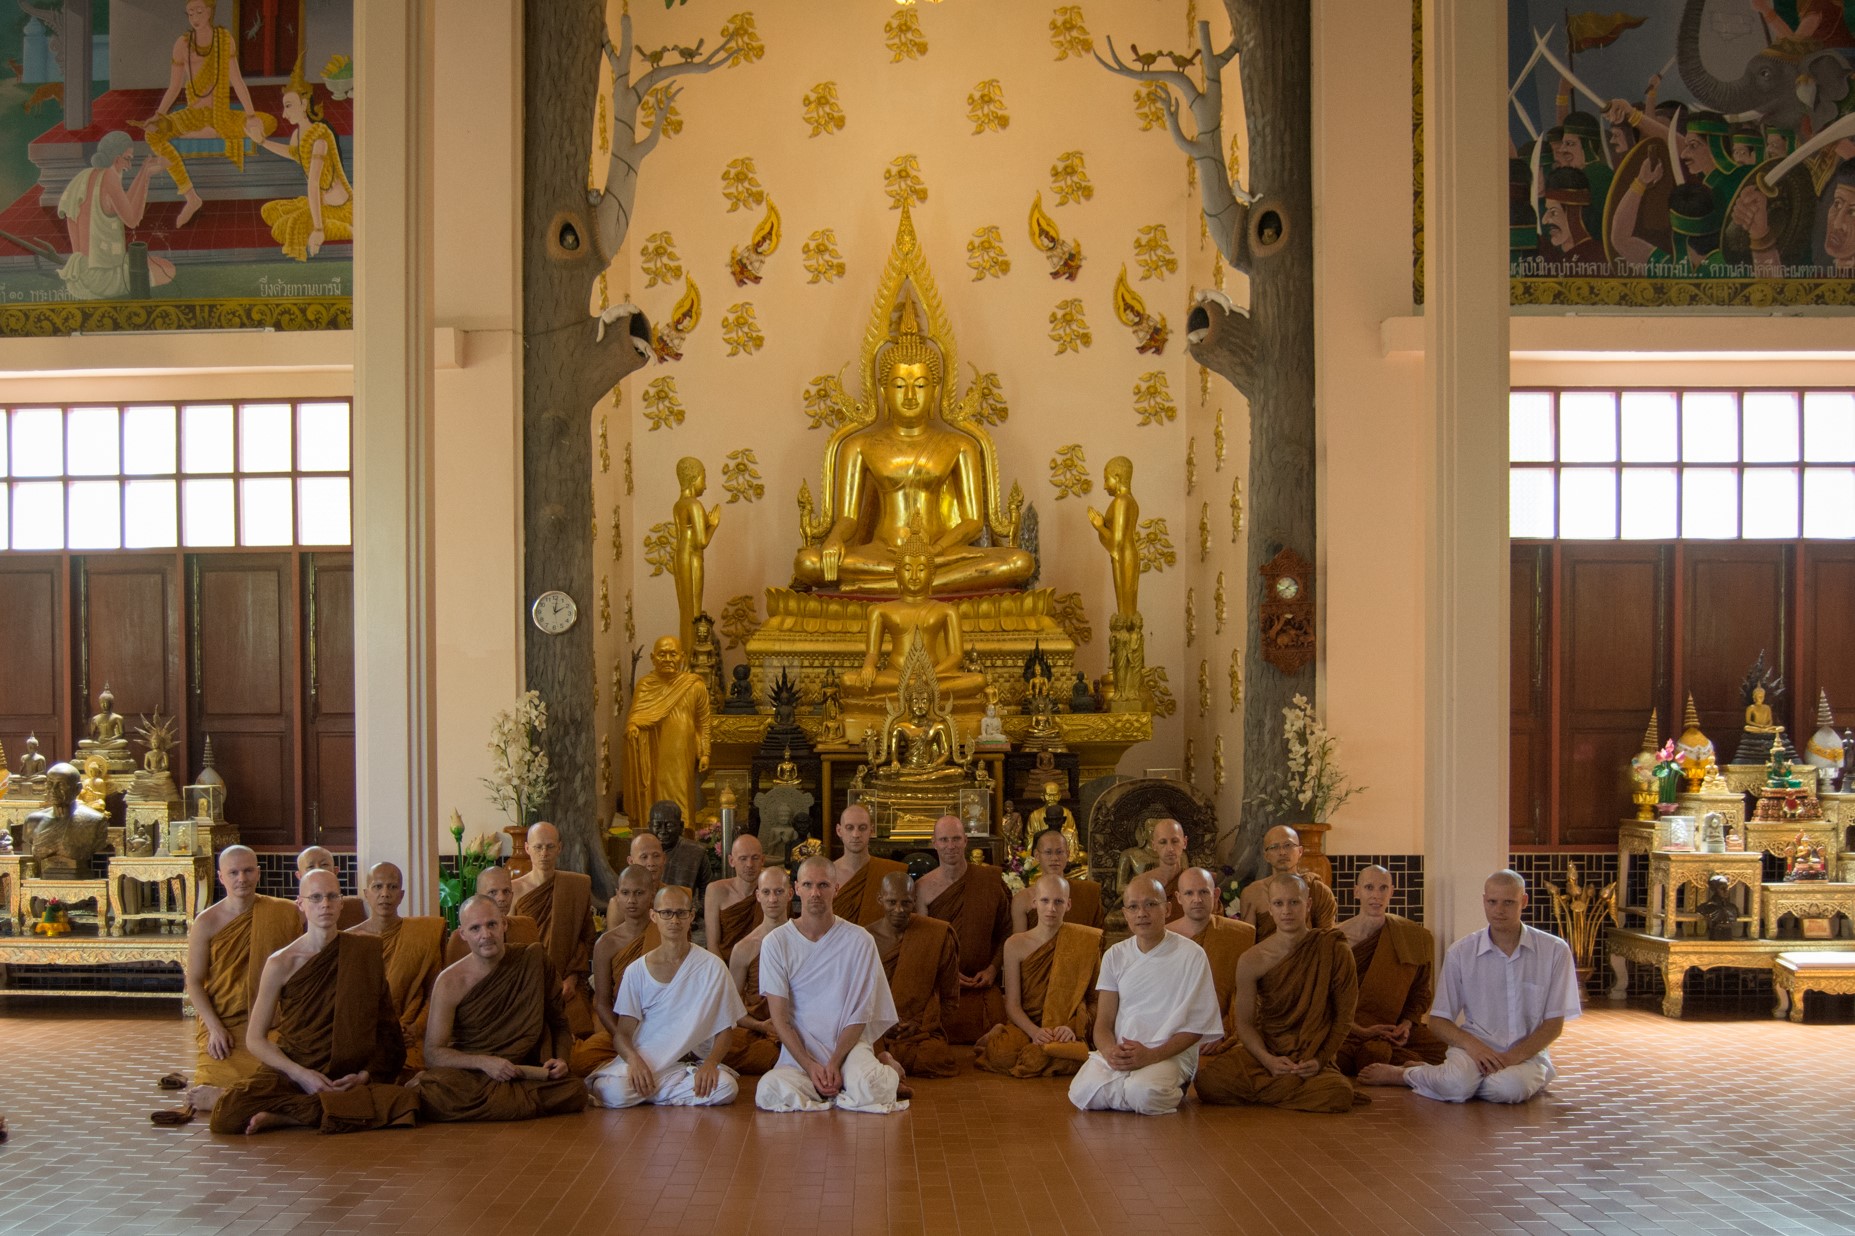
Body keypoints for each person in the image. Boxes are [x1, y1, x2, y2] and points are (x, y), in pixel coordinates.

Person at [789, 295, 1033, 594]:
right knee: (809, 563)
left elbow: (973, 521)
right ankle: (910, 584)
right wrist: (834, 540)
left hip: (941, 555)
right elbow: (849, 518)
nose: (909, 396)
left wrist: (935, 551)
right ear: (883, 390)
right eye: (899, 385)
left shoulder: (960, 445)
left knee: (1019, 562)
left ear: (935, 390)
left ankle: (885, 586)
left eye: (919, 385)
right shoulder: (859, 446)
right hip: (882, 553)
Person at [207, 870, 419, 1135]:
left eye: (332, 897)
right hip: (295, 1068)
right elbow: (255, 1039)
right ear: (301, 904)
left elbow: (388, 1032)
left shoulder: (364, 952)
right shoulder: (281, 963)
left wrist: (364, 1075)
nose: (325, 905)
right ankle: (325, 1109)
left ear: (341, 903)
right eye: (316, 897)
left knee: (405, 1102)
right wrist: (301, 1075)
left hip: (348, 1074)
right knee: (228, 1114)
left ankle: (289, 1117)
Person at [1359, 871, 1582, 1105]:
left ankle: (1437, 1077)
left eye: (1509, 902)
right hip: (1473, 1048)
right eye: (1492, 902)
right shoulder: (1461, 952)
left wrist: (1511, 1058)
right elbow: (1439, 1020)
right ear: (1484, 901)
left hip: (1525, 1053)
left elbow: (1554, 1025)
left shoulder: (1555, 951)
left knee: (1508, 1089)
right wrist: (1474, 1048)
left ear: (1523, 902)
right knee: (1460, 1084)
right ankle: (1407, 1074)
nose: (1499, 910)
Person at [755, 857, 909, 1114]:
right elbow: (779, 1019)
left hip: (848, 1048)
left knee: (871, 1087)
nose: (816, 893)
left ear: (836, 888)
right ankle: (834, 1086)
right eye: (808, 884)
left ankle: (886, 1067)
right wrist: (810, 1065)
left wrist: (836, 1061)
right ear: (797, 889)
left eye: (824, 885)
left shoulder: (860, 940)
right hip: (801, 1051)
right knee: (768, 1091)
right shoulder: (776, 943)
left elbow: (860, 1013)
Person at [413, 895, 587, 1122]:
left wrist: (562, 1060)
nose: (485, 935)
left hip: (520, 1070)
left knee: (575, 1090)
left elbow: (559, 1023)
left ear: (504, 924)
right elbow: (433, 1053)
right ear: (463, 934)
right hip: (471, 1074)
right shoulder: (450, 981)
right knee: (436, 1091)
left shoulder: (532, 960)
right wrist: (484, 1062)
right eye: (475, 928)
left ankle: (495, 1103)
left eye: (491, 924)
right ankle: (507, 1103)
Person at [1195, 873, 1358, 1113]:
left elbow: (1344, 1017)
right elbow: (1245, 1024)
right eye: (1279, 904)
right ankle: (1288, 1087)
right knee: (1208, 1083)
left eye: (1294, 902)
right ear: (1270, 909)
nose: (1286, 911)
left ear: (1308, 905)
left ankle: (1276, 1088)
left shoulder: (1333, 949)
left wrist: (1320, 1059)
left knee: (1339, 1093)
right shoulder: (1252, 959)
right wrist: (1267, 1060)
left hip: (1311, 1050)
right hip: (1269, 1047)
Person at [1067, 875, 1223, 1115]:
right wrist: (1110, 1052)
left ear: (1167, 908)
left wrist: (1152, 1055)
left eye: (1151, 904)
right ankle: (1132, 1089)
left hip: (1169, 1052)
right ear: (1125, 913)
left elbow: (1196, 1027)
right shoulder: (1115, 955)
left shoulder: (1192, 955)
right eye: (1133, 907)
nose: (1142, 913)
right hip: (1123, 1051)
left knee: (1145, 1094)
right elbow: (1103, 1024)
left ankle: (1152, 1087)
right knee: (1081, 1092)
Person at [586, 886, 744, 1107]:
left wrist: (710, 1064)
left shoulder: (712, 967)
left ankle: (653, 1093)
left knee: (726, 1088)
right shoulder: (636, 971)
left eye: (681, 913)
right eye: (666, 913)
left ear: (691, 917)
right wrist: (634, 1061)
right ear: (654, 916)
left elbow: (725, 1031)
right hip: (650, 1061)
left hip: (692, 1064)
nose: (674, 920)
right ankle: (666, 1091)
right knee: (613, 1091)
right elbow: (622, 1034)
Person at [174, 845, 302, 1114]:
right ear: (221, 877)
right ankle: (234, 1096)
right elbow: (194, 983)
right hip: (226, 1024)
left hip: (270, 1022)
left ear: (258, 873)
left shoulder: (284, 912)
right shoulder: (206, 922)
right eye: (233, 873)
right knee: (215, 1077)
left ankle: (236, 1098)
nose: (241, 879)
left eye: (247, 871)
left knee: (287, 1074)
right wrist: (214, 1028)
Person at [139, 0, 271, 227]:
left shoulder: (224, 40)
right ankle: (191, 197)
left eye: (200, 11)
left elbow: (237, 81)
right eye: (190, 13)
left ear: (210, 12)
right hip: (194, 114)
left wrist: (250, 115)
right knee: (152, 133)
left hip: (220, 113)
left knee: (265, 123)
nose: (195, 17)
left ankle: (201, 136)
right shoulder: (182, 44)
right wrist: (159, 114)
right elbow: (174, 87)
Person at [978, 874, 1101, 1079]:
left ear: (1068, 904)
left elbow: (1094, 1000)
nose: (1051, 908)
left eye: (1058, 901)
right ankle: (1000, 1033)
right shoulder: (1015, 944)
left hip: (1064, 1025)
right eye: (1045, 901)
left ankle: (1043, 1045)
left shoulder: (1086, 941)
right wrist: (1035, 1032)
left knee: (1059, 1058)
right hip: (1027, 1023)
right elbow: (1012, 1004)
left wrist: (1071, 1028)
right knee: (1003, 1056)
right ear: (1034, 903)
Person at [1335, 865, 1446, 1077]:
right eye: (1369, 887)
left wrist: (1406, 1024)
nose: (1376, 895)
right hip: (1348, 1030)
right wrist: (1362, 1030)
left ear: (1391, 892)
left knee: (1447, 1053)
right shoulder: (1335, 938)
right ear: (1357, 891)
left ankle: (1396, 1066)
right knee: (1344, 1056)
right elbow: (1325, 999)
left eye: (1383, 888)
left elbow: (1420, 992)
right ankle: (1401, 1069)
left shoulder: (1412, 936)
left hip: (1393, 1029)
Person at [915, 815, 1012, 1044]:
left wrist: (992, 969)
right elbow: (922, 945)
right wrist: (946, 974)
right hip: (941, 987)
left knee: (1001, 1035)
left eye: (956, 839)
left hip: (983, 984)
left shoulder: (989, 880)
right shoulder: (922, 889)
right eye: (944, 839)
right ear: (934, 842)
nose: (951, 846)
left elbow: (1007, 931)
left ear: (966, 841)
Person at [344, 862, 446, 1077]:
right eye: (377, 887)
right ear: (366, 894)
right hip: (365, 1037)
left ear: (401, 895)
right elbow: (346, 1000)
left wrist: (416, 1028)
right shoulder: (349, 940)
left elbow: (435, 993)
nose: (385, 894)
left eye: (392, 887)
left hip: (409, 1036)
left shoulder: (423, 935)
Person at [248, 63, 352, 261]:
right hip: (319, 203)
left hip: (336, 207)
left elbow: (313, 184)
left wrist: (319, 229)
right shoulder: (297, 135)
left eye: (289, 106)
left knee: (281, 230)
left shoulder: (320, 137)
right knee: (268, 211)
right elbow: (293, 153)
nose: (285, 114)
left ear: (304, 105)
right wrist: (262, 141)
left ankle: (344, 228)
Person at [55, 131, 176, 299]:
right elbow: (132, 220)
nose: (129, 166)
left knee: (153, 263)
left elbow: (124, 204)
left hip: (78, 275)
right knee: (167, 269)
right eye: (128, 159)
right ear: (117, 158)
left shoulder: (85, 176)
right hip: (101, 279)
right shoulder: (110, 177)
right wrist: (145, 174)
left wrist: (144, 173)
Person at [867, 871, 960, 1079]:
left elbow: (949, 996)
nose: (898, 910)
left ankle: (886, 1062)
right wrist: (881, 1023)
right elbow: (854, 996)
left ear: (915, 901)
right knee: (856, 1049)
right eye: (891, 902)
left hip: (917, 1031)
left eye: (906, 903)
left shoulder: (935, 935)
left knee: (937, 1057)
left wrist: (920, 1024)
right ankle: (884, 1058)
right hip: (875, 1029)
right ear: (880, 899)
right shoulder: (864, 939)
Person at [571, 864, 660, 1076]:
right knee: (577, 1062)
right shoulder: (606, 944)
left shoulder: (665, 934)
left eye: (639, 893)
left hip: (661, 1027)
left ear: (652, 894)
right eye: (626, 893)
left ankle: (624, 1069)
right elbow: (602, 1003)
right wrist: (623, 1038)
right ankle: (633, 1064)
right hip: (622, 1027)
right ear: (617, 895)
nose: (631, 900)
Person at [511, 821, 597, 1037]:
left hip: (567, 982)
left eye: (550, 847)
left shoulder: (576, 886)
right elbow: (509, 942)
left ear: (560, 848)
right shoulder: (513, 890)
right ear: (527, 848)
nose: (544, 853)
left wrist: (572, 978)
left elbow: (586, 937)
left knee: (577, 1041)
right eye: (538, 847)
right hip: (525, 983)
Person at [623, 636, 712, 830]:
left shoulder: (694, 685)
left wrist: (705, 752)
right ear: (653, 658)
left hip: (681, 751)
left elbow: (703, 722)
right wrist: (632, 728)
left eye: (673, 654)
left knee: (680, 789)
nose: (667, 658)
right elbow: (635, 716)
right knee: (653, 789)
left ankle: (683, 829)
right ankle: (653, 827)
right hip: (652, 749)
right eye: (662, 654)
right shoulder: (645, 685)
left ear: (682, 657)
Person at [1167, 867, 1255, 1063]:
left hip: (1220, 1032)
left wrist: (1222, 1029)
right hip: (1169, 1033)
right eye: (1189, 893)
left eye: (1204, 892)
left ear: (1215, 894)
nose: (1197, 899)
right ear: (1178, 897)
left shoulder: (1240, 935)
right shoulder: (1163, 938)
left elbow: (1244, 992)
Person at [723, 866, 794, 1077]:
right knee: (720, 1045)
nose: (772, 899)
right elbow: (733, 1009)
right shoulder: (744, 948)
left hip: (796, 1027)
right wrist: (762, 1026)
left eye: (779, 892)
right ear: (757, 896)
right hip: (758, 1031)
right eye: (766, 892)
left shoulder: (804, 940)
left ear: (790, 894)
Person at [1239, 826, 1337, 942]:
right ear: (1266, 856)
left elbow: (1327, 941)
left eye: (1288, 845)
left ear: (1300, 851)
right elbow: (1246, 942)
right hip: (1267, 958)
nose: (1282, 852)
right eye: (1274, 847)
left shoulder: (1318, 890)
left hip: (1308, 958)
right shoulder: (1252, 893)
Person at [671, 456, 722, 654]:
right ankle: (691, 659)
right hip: (692, 557)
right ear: (694, 478)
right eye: (704, 478)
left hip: (679, 555)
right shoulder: (694, 505)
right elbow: (702, 542)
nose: (706, 486)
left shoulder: (679, 504)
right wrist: (714, 524)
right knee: (693, 610)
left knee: (685, 609)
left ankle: (684, 655)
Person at [1010, 828, 1105, 930]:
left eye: (1059, 852)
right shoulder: (1022, 899)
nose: (1055, 858)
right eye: (1048, 852)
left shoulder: (1088, 892)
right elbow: (1019, 943)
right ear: (1037, 855)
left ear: (1067, 854)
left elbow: (1097, 938)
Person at [442, 866, 539, 964]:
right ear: (478, 897)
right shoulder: (461, 938)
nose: (501, 898)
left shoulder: (525, 926)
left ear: (512, 895)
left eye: (506, 891)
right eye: (493, 892)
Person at [831, 804, 907, 925]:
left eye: (862, 828)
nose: (856, 834)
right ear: (839, 831)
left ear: (871, 830)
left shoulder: (890, 873)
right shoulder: (827, 874)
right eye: (850, 828)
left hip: (878, 943)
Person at [706, 833, 767, 961]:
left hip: (763, 967)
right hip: (725, 967)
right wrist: (725, 978)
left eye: (755, 858)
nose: (749, 864)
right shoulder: (716, 891)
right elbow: (712, 945)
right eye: (743, 858)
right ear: (731, 861)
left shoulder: (772, 892)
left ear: (762, 860)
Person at [647, 800, 712, 904]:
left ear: (681, 826)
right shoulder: (641, 851)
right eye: (657, 826)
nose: (663, 831)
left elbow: (708, 894)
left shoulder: (696, 852)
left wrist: (690, 911)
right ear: (649, 826)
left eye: (669, 826)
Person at [297, 846, 364, 929]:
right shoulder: (287, 911)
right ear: (299, 876)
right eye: (310, 867)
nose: (318, 870)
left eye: (324, 865)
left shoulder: (354, 908)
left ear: (335, 871)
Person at [1149, 818, 1189, 922]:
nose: (1170, 848)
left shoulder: (1193, 882)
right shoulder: (1142, 883)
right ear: (1154, 845)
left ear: (1184, 842)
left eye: (1175, 841)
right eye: (1163, 842)